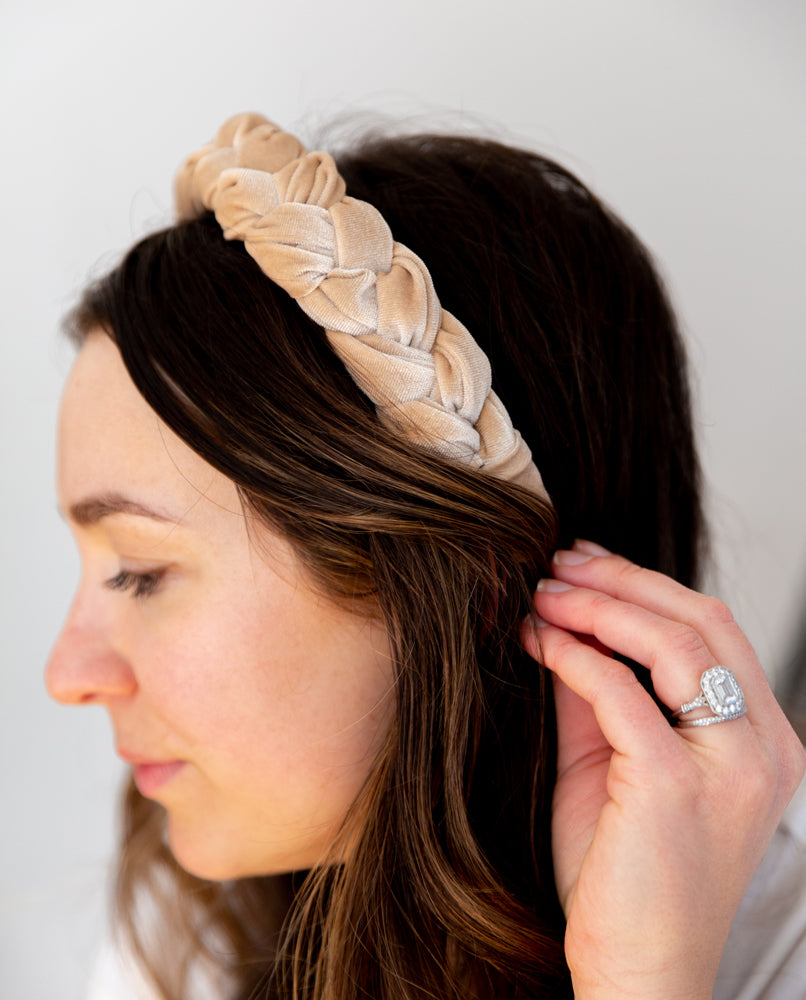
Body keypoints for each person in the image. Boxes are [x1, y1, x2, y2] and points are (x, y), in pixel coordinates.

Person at [47, 113, 805, 1000]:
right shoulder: (191, 922)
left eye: (140, 570)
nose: (70, 674)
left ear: (461, 581)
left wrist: (643, 984)